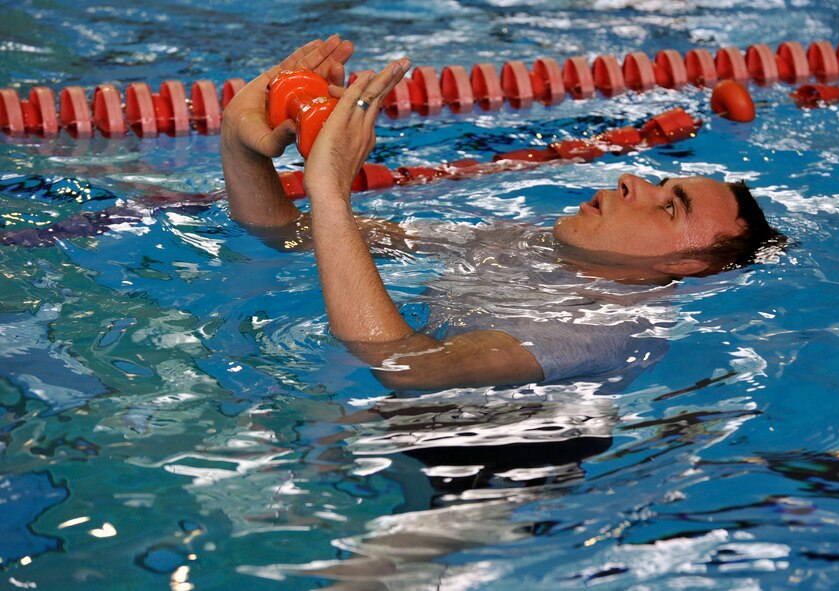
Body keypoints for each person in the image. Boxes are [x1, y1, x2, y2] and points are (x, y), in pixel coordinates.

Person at [221, 36, 781, 392]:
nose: (632, 181)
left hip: (490, 487)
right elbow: (287, 234)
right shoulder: (519, 244)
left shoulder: (607, 327)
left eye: (670, 207)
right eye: (658, 182)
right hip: (393, 449)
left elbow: (408, 367)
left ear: (684, 266)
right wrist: (240, 139)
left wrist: (331, 192)